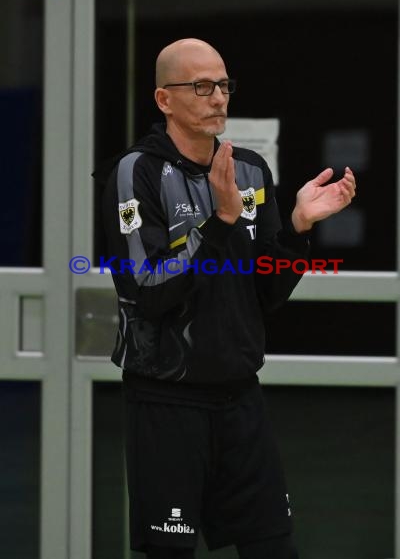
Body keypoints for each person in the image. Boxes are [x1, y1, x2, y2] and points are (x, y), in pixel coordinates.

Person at [97, 38, 356, 559]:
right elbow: (147, 290)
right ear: (164, 100)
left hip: (241, 399)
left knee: (273, 546)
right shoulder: (136, 173)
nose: (217, 97)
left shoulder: (252, 172)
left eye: (222, 84)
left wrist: (299, 229)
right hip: (166, 402)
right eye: (200, 86)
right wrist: (218, 222)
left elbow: (266, 294)